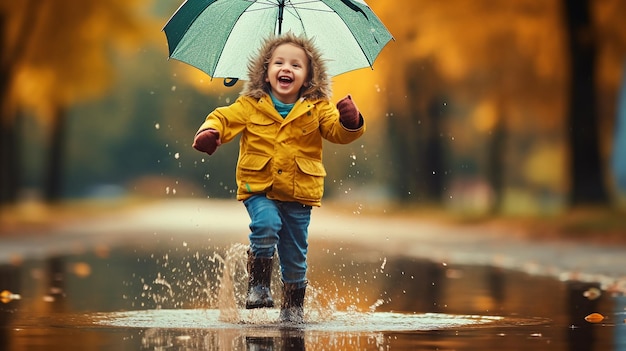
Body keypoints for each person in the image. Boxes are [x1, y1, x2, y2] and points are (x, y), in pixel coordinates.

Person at [192, 33, 365, 323]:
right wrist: (210, 132)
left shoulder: (317, 108)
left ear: (309, 77)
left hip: (300, 194)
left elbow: (337, 132)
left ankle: (293, 310)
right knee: (266, 224)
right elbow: (222, 117)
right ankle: (258, 286)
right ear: (266, 71)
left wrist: (350, 122)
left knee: (295, 256)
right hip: (259, 188)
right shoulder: (250, 105)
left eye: (297, 65)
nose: (287, 68)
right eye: (279, 62)